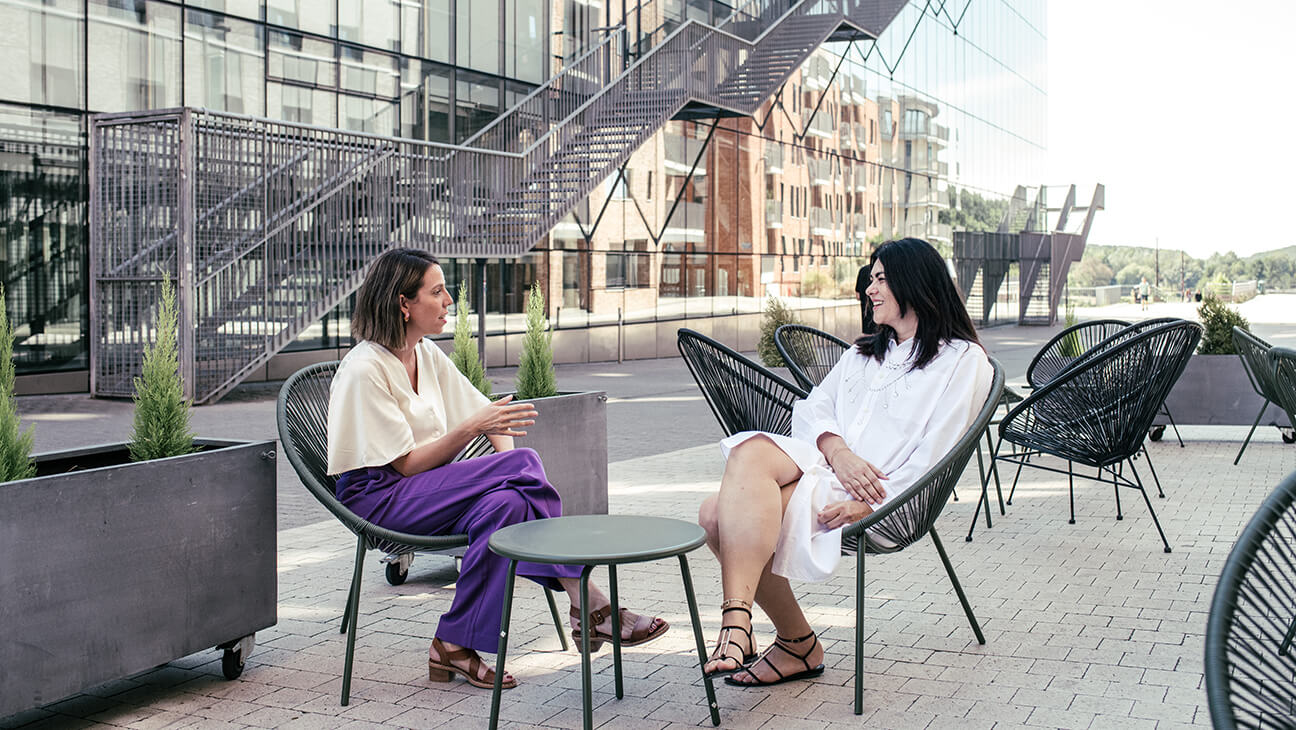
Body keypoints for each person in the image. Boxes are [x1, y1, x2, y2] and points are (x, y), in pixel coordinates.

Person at [326, 248, 667, 691]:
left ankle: (453, 644)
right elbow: (407, 464)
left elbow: (490, 415)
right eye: (437, 291)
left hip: (421, 491)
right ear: (403, 303)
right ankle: (591, 603)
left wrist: (503, 458)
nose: (449, 300)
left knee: (506, 502)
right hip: (378, 498)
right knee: (523, 463)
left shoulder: (424, 354)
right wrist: (494, 445)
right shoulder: (365, 368)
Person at [697, 237, 993, 686]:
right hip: (824, 466)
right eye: (869, 280)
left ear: (914, 281)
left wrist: (876, 504)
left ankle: (791, 642)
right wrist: (840, 451)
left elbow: (939, 452)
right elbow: (812, 409)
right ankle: (741, 625)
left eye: (879, 279)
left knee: (715, 514)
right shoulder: (863, 354)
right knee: (746, 453)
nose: (869, 290)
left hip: (879, 496)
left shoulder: (962, 361)